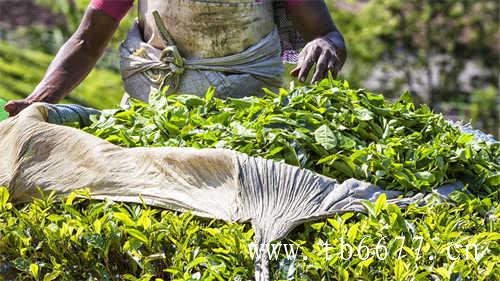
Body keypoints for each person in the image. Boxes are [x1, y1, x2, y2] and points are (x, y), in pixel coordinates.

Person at [4, 0, 346, 117]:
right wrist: (39, 99)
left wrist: (325, 45)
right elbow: (86, 41)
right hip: (154, 111)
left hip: (250, 114)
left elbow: (328, 34)